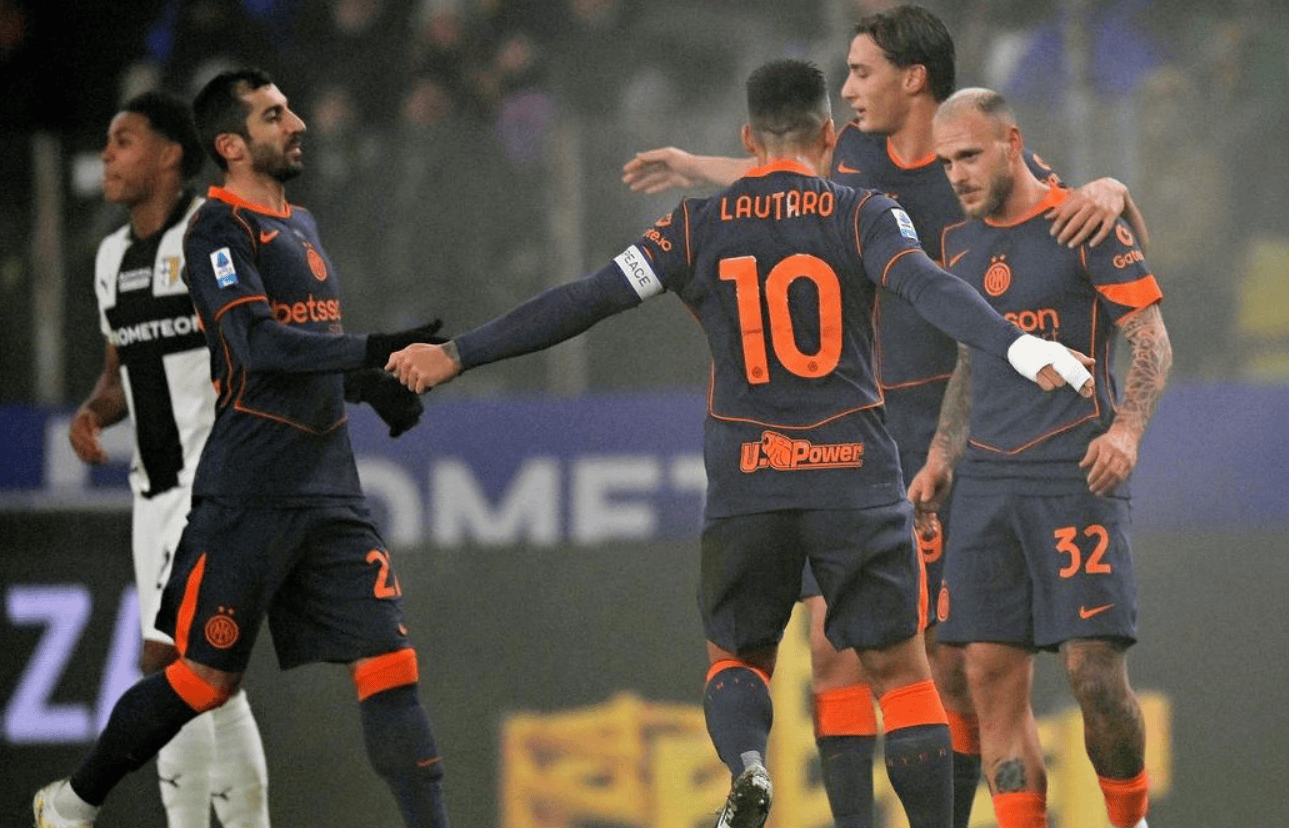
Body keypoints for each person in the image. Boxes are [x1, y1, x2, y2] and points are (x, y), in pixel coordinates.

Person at [388, 59, 1094, 828]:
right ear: (830, 135)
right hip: (854, 475)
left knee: (737, 659)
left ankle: (749, 765)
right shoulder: (866, 212)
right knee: (901, 675)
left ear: (747, 140)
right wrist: (1020, 346)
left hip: (748, 479)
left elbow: (586, 299)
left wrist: (458, 352)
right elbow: (929, 287)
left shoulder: (693, 226)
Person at [619, 7, 1150, 827]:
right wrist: (697, 165)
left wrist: (1111, 187)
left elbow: (1057, 202)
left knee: (952, 661)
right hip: (866, 425)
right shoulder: (852, 156)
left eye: (861, 71)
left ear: (913, 80)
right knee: (840, 650)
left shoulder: (970, 154)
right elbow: (779, 181)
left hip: (950, 425)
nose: (847, 89)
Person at [35, 68, 450, 828]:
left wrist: (368, 381)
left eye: (290, 109)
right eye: (274, 115)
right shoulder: (216, 231)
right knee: (203, 681)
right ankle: (72, 802)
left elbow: (309, 342)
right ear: (230, 145)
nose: (297, 123)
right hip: (247, 493)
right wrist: (375, 348)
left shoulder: (303, 225)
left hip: (331, 489)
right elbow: (258, 346)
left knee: (392, 666)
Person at [908, 87, 1170, 828]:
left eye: (968, 156)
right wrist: (941, 454)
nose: (956, 175)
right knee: (986, 675)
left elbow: (1151, 338)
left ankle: (1130, 821)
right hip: (986, 482)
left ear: (1012, 143)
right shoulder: (958, 246)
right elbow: (971, 360)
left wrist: (1125, 433)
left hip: (1073, 475)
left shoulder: (1083, 221)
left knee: (1093, 673)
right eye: (945, 163)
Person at [69, 88, 272, 828]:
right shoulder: (110, 258)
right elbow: (118, 373)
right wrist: (93, 413)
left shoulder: (211, 235)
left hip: (211, 485)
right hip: (150, 493)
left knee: (168, 665)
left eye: (123, 140)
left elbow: (259, 342)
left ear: (169, 154)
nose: (106, 156)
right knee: (210, 679)